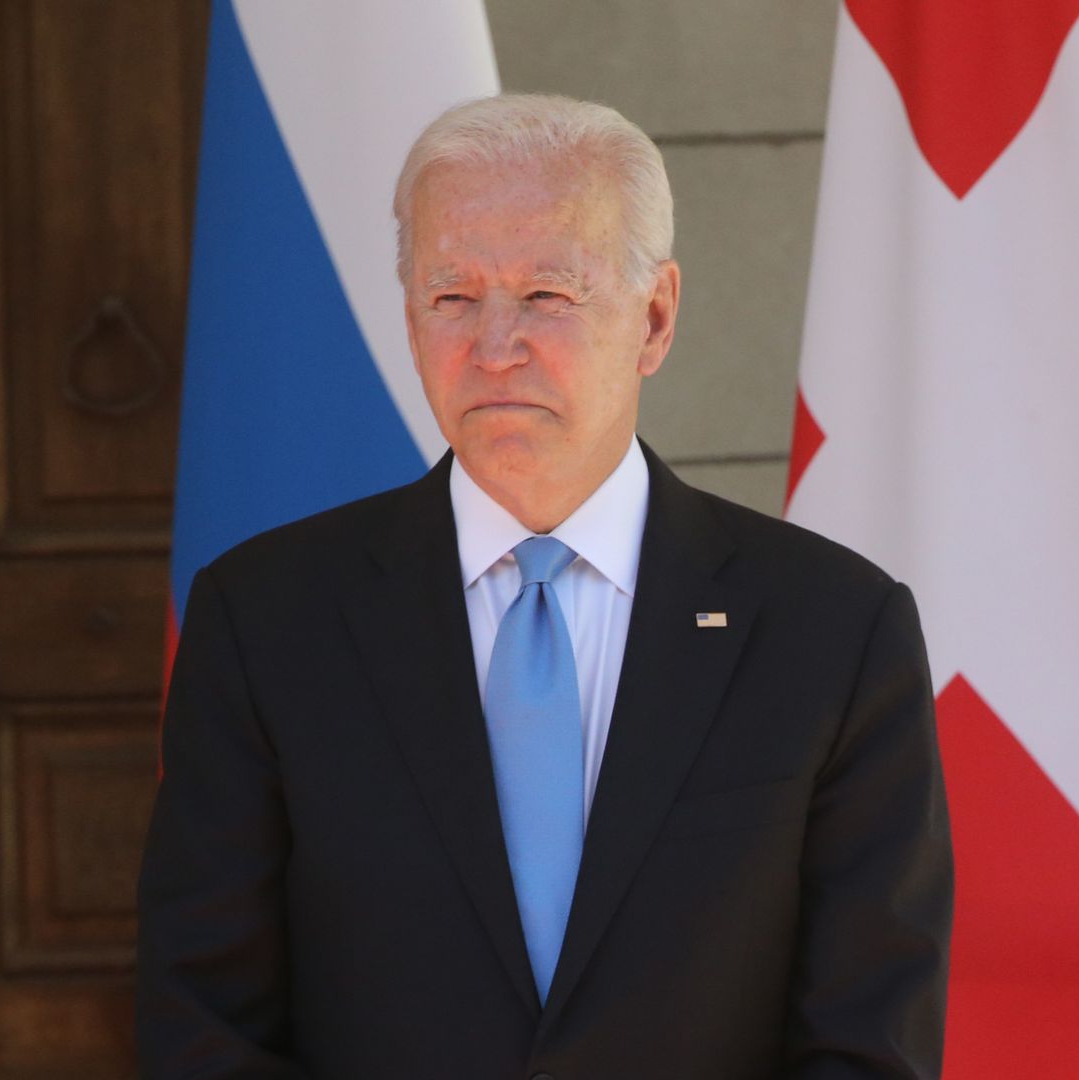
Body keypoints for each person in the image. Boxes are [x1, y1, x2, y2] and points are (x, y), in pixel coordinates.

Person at [136, 92, 953, 1079]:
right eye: (452, 297)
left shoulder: (833, 633)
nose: (494, 346)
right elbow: (203, 1025)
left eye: (546, 295)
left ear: (655, 318)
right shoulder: (265, 621)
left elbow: (868, 1040)